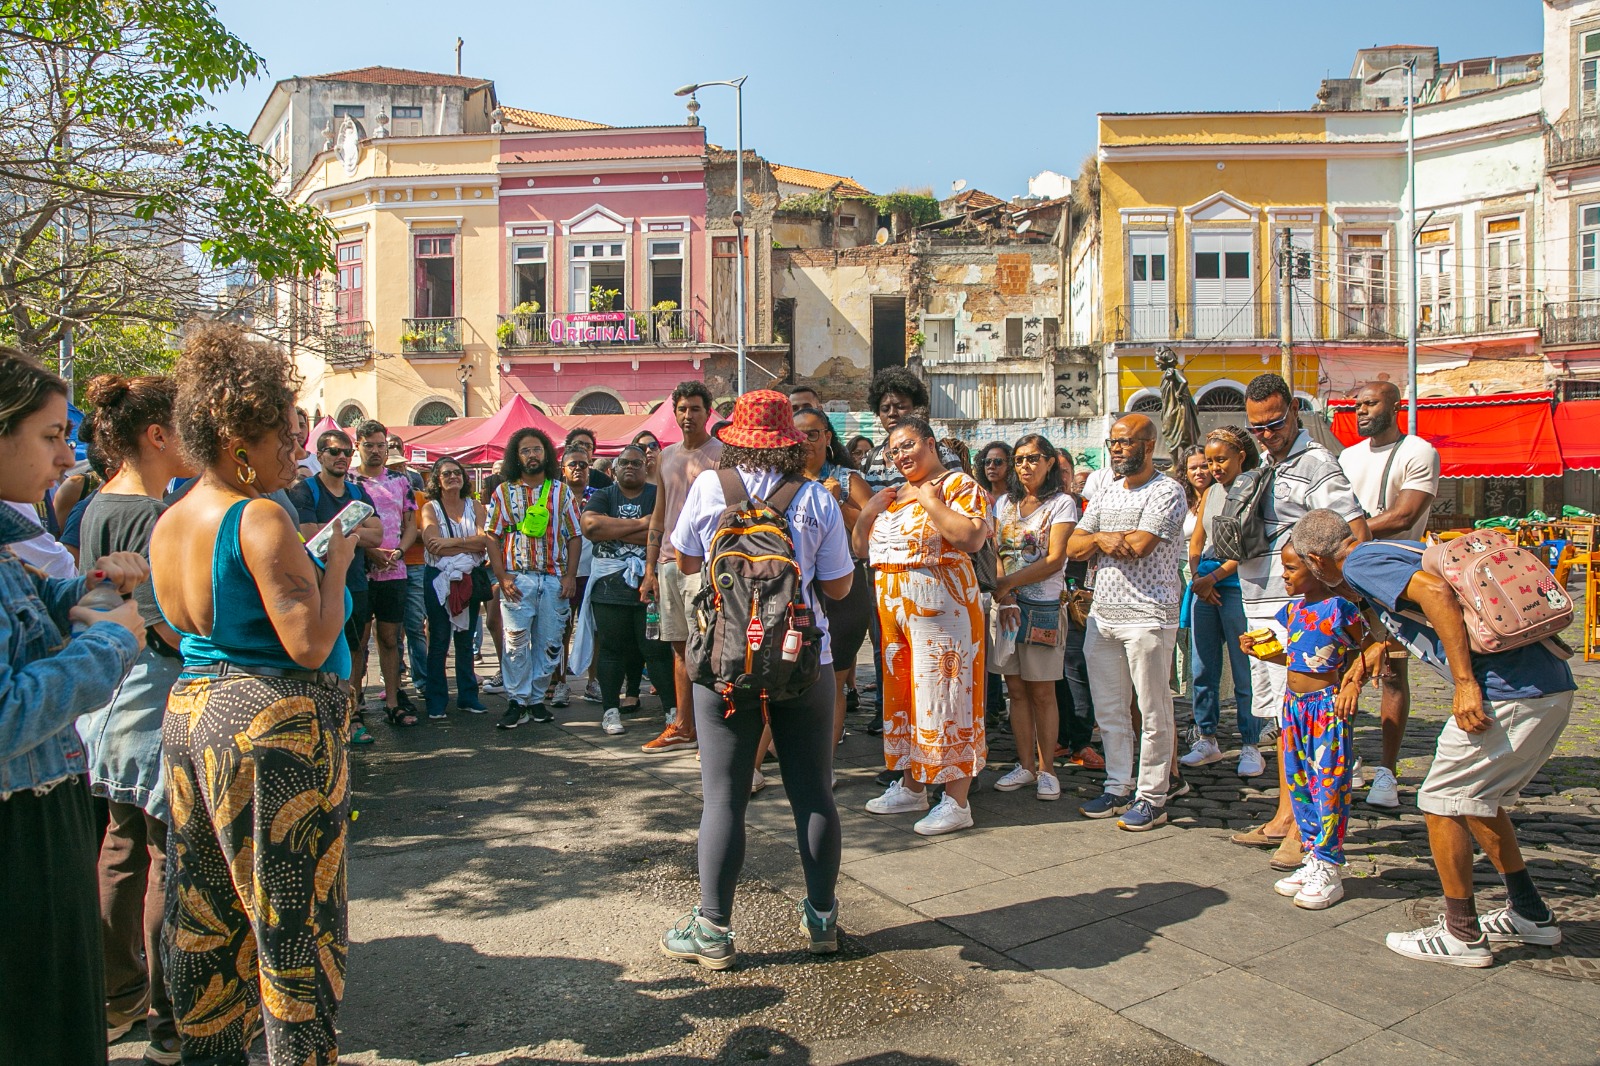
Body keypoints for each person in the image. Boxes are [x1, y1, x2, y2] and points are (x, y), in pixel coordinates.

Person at [150, 324, 355, 1064]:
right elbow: (308, 643)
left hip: (191, 715)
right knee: (293, 924)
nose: (295, 452)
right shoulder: (259, 515)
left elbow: (179, 628)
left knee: (207, 916)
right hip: (270, 727)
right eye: (282, 439)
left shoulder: (171, 520)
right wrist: (337, 562)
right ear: (239, 441)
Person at [1293, 508, 1574, 966]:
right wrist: (1370, 657)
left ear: (1317, 560)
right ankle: (1530, 914)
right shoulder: (1398, 549)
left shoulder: (1360, 563)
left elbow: (1436, 593)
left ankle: (1462, 934)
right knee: (1479, 801)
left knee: (1440, 801)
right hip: (1549, 686)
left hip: (1508, 692)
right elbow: (1424, 615)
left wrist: (1464, 683)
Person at [661, 390, 854, 969]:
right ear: (791, 441)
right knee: (813, 792)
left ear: (735, 439)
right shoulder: (815, 497)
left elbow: (685, 562)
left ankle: (713, 929)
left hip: (723, 660)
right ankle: (822, 919)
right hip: (805, 658)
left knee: (724, 796)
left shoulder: (708, 487)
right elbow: (839, 587)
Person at [0, 350, 148, 1066]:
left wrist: (92, 590)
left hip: (40, 814)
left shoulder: (12, 546)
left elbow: (30, 614)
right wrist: (112, 644)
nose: (67, 458)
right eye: (52, 435)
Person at [73, 373, 190, 1060]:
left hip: (106, 701)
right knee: (165, 855)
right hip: (149, 699)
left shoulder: (98, 503)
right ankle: (168, 1019)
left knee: (120, 848)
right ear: (157, 435)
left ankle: (118, 997)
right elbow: (161, 624)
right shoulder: (152, 514)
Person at [1228, 374, 1369, 865]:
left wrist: (1338, 599)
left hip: (1303, 608)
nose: (1266, 434)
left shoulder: (1316, 463)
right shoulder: (1270, 460)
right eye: (1257, 428)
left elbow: (1352, 532)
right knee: (1284, 718)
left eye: (1274, 423)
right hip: (1267, 600)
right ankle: (1286, 816)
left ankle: (1303, 831)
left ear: (1293, 411)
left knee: (1305, 726)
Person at [855, 415, 989, 836]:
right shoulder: (892, 495)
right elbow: (861, 548)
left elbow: (970, 538)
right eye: (893, 450)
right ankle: (913, 787)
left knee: (948, 699)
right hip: (896, 618)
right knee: (906, 700)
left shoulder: (957, 485)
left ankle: (956, 801)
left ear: (930, 444)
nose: (900, 455)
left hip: (943, 614)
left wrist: (931, 501)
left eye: (908, 445)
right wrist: (867, 513)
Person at [1066, 413, 1187, 832]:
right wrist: (1100, 539)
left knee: (1153, 711)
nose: (1117, 449)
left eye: (1126, 441)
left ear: (1149, 445)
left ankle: (1153, 796)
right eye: (1113, 443)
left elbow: (1140, 544)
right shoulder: (1107, 491)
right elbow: (1073, 545)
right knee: (1110, 709)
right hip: (1103, 614)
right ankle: (1118, 785)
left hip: (1149, 614)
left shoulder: (1168, 491)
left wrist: (1099, 542)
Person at [1241, 537, 1369, 910]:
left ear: (1316, 568)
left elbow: (1371, 648)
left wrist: (1353, 683)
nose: (1284, 575)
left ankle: (1329, 864)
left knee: (1328, 784)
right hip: (1294, 708)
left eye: (1291, 568)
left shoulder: (1341, 609)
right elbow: (1299, 659)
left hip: (1327, 708)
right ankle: (1312, 854)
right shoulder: (1293, 610)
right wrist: (1264, 652)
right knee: (1299, 784)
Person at [1337, 380, 1440, 809]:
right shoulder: (1348, 456)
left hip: (1395, 575)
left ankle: (1388, 770)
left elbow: (1404, 515)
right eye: (1357, 404)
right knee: (1342, 668)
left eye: (1370, 403)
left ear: (1395, 406)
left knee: (1393, 673)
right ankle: (1346, 760)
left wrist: (1345, 535)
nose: (1361, 410)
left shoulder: (1418, 451)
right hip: (1347, 577)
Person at [857, 368, 965, 752]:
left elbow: (958, 518)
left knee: (938, 673)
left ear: (916, 408)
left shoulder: (943, 456)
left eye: (900, 405)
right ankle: (895, 731)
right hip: (886, 572)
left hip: (934, 580)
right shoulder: (873, 457)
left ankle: (946, 754)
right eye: (885, 407)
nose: (891, 413)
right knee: (890, 655)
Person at [989, 434, 1077, 801]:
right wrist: (1004, 592)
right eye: (1020, 459)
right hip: (1006, 606)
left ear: (1049, 462)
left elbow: (1055, 559)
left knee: (1042, 690)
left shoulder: (1062, 503)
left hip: (1042, 607)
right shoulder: (1004, 503)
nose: (1025, 466)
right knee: (1015, 690)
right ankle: (1025, 764)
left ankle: (1047, 768)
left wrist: (1008, 582)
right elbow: (993, 549)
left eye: (1033, 458)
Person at [639, 381, 722, 753]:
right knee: (679, 649)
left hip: (705, 565)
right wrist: (650, 569)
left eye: (695, 409)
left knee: (709, 647)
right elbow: (658, 515)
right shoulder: (666, 456)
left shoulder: (722, 455)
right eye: (682, 409)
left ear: (708, 412)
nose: (688, 416)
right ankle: (684, 726)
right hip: (669, 564)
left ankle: (712, 730)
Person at [287, 429, 384, 744]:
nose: (341, 457)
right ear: (320, 456)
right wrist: (356, 529)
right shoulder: (305, 491)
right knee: (322, 651)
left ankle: (350, 715)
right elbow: (311, 538)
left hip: (355, 582)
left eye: (346, 452)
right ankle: (321, 715)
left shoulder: (357, 491)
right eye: (334, 451)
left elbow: (378, 534)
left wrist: (336, 532)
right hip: (317, 585)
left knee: (356, 650)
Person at [484, 427, 581, 729]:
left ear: (546, 454)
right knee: (515, 643)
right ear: (516, 456)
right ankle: (517, 701)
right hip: (518, 580)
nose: (531, 455)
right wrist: (502, 576)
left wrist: (570, 576)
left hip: (553, 580)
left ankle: (537, 699)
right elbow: (491, 536)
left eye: (536, 449)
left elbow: (575, 535)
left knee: (550, 644)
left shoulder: (561, 491)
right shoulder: (503, 492)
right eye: (525, 450)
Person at [1182, 427, 1264, 777]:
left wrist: (1212, 579)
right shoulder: (1211, 492)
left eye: (1221, 460)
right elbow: (1196, 540)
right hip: (1205, 583)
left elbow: (1250, 546)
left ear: (1240, 456)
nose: (1214, 468)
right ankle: (1206, 736)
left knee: (1245, 668)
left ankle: (1251, 742)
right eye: (1210, 461)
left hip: (1237, 585)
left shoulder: (1255, 488)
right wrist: (1198, 577)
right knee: (1202, 667)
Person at [579, 444, 675, 736]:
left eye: (636, 463)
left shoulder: (657, 494)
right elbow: (591, 527)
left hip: (650, 584)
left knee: (656, 650)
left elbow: (665, 531)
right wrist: (643, 524)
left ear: (647, 468)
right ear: (614, 469)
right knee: (611, 649)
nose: (630, 467)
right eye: (624, 463)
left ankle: (672, 712)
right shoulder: (603, 495)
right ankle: (610, 710)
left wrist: (616, 529)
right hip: (609, 586)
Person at [793, 406, 873, 751]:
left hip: (844, 588)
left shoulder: (848, 479)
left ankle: (824, 760)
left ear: (827, 437)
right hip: (796, 588)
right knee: (789, 674)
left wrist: (837, 501)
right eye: (798, 434)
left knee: (833, 677)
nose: (805, 441)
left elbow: (874, 533)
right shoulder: (782, 480)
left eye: (813, 434)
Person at [352, 420, 420, 725]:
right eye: (369, 445)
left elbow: (411, 525)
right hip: (360, 568)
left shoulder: (400, 481)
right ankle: (353, 704)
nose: (376, 451)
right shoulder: (350, 481)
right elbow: (343, 525)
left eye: (381, 445)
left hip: (394, 569)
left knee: (391, 638)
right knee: (358, 639)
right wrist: (371, 552)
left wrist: (399, 552)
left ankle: (393, 701)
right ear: (358, 446)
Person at [418, 456, 490, 718]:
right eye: (446, 473)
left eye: (457, 473)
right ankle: (436, 699)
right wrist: (467, 544)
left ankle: (468, 696)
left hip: (469, 577)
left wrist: (449, 543)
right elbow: (432, 544)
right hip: (438, 578)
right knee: (439, 638)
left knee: (466, 638)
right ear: (437, 480)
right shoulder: (430, 508)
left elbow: (484, 541)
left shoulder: (475, 505)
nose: (453, 477)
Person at [1053, 451, 1101, 770]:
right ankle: (1059, 736)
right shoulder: (1039, 508)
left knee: (1076, 668)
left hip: (1078, 598)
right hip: (1045, 596)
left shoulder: (1086, 507)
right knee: (1052, 674)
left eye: (1064, 471)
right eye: (1054, 470)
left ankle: (1081, 741)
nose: (1060, 477)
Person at [388, 440, 430, 702]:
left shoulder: (421, 498)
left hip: (415, 565)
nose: (397, 471)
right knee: (390, 629)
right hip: (388, 565)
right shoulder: (379, 495)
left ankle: (422, 681)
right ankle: (394, 679)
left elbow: (428, 533)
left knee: (415, 625)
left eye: (400, 466)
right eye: (392, 467)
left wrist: (408, 535)